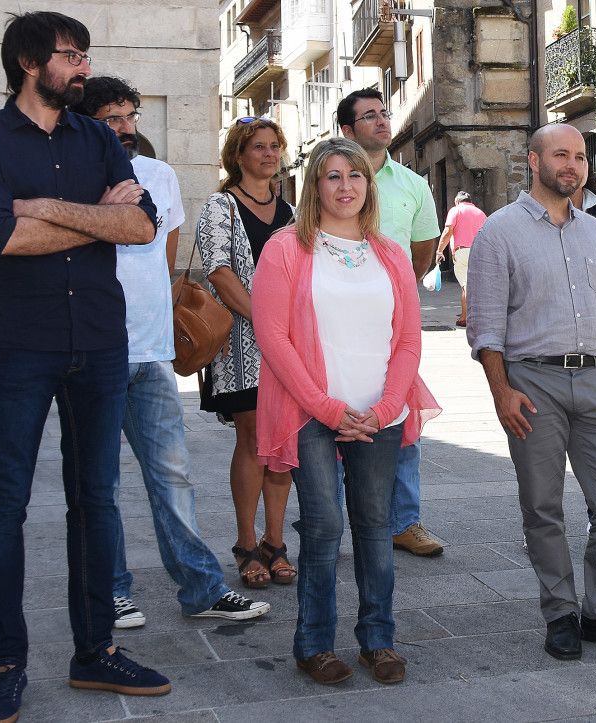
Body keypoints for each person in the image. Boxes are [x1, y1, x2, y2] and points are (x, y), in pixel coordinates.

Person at [0, 12, 171, 723]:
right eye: (71, 56)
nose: (83, 68)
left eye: (85, 55)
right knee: (4, 503)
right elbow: (2, 236)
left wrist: (46, 206)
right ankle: (6, 664)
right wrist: (90, 214)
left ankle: (95, 652)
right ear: (28, 62)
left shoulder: (97, 137)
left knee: (97, 499)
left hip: (100, 342)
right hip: (17, 344)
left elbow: (140, 226)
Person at [71, 76, 270, 629]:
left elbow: (164, 262)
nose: (126, 128)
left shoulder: (159, 176)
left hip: (152, 353)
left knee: (172, 475)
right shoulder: (69, 182)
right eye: (112, 118)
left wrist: (160, 333)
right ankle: (111, 591)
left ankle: (201, 588)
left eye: (131, 116)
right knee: (99, 482)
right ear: (83, 124)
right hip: (92, 351)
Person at [466, 123, 596, 662]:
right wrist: (501, 391)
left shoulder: (593, 231)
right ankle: (560, 613)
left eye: (579, 156)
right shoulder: (499, 232)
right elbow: (484, 325)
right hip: (532, 382)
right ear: (533, 161)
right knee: (543, 504)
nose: (572, 166)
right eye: (561, 155)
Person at [250, 137, 439, 686]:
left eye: (355, 176)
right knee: (326, 525)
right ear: (315, 185)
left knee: (377, 526)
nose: (345, 186)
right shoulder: (286, 248)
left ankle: (377, 640)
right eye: (333, 176)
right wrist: (329, 409)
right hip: (310, 411)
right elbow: (274, 338)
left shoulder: (390, 255)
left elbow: (407, 340)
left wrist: (384, 408)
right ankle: (313, 644)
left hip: (379, 413)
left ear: (368, 185)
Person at [338, 89, 444, 557]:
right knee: (334, 417)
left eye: (384, 113)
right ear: (347, 130)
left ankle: (404, 520)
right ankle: (337, 521)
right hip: (336, 317)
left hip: (393, 320)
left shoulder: (413, 184)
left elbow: (424, 247)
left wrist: (400, 288)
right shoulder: (330, 177)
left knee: (400, 414)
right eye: (369, 116)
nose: (382, 121)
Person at [197, 117, 298, 590]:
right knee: (255, 437)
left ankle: (277, 541)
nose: (269, 154)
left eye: (275, 146)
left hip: (292, 345)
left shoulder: (293, 211)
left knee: (284, 445)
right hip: (241, 342)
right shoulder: (220, 207)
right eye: (259, 146)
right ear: (238, 155)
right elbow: (218, 270)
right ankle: (246, 542)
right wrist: (265, 321)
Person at [435, 191, 487, 327]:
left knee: (466, 285)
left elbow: (447, 232)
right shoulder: (480, 213)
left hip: (462, 251)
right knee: (477, 285)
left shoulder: (456, 210)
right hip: (479, 252)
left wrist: (439, 251)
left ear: (457, 201)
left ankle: (465, 318)